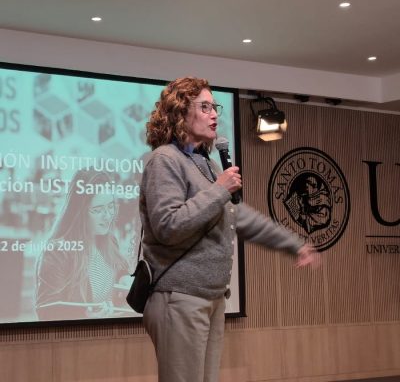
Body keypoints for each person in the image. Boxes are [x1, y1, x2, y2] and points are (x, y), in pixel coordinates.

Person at [139, 77, 320, 382]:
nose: (214, 115)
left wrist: (293, 244)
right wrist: (220, 190)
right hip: (180, 297)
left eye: (215, 107)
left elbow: (239, 216)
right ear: (180, 113)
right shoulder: (165, 160)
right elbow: (168, 226)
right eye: (204, 107)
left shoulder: (206, 164)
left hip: (211, 297)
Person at [35, 169, 129, 321]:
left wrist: (123, 278)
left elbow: (117, 271)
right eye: (97, 210)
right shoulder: (57, 252)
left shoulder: (110, 240)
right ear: (79, 212)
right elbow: (45, 312)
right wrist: (83, 316)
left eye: (111, 206)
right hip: (79, 335)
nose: (108, 216)